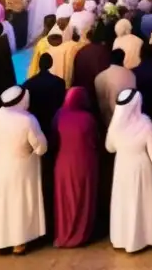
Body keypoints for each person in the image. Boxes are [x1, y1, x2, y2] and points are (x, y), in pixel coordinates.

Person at [0, 85, 49, 254]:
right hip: (21, 170)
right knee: (18, 204)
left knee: (1, 204)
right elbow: (40, 147)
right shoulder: (28, 119)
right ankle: (18, 243)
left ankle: (1, 242)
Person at [105, 88, 152, 252]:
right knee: (139, 203)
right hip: (140, 168)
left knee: (123, 203)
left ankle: (121, 239)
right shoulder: (145, 123)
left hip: (122, 167)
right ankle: (140, 239)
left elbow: (109, 147)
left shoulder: (115, 125)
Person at [52, 87, 99, 247]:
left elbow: (53, 137)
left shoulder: (59, 115)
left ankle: (63, 234)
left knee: (64, 200)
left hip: (63, 163)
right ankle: (81, 234)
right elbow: (95, 140)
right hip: (85, 162)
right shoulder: (88, 119)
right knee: (82, 199)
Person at [24, 53, 67, 139]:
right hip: (53, 122)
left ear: (39, 65)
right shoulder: (59, 82)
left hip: (35, 123)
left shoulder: (28, 83)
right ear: (51, 64)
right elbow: (61, 103)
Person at [95, 48, 136, 128]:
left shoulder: (99, 77)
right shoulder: (130, 75)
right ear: (123, 58)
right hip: (126, 123)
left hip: (105, 122)